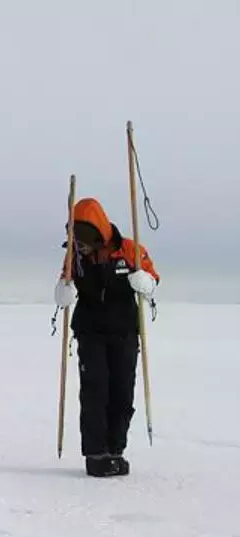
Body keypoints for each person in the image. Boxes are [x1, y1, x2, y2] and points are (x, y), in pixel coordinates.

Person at [53, 197, 160, 478]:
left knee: (122, 392)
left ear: (97, 235)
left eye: (83, 242)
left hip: (124, 332)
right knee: (95, 390)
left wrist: (144, 282)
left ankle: (115, 451)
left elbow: (153, 280)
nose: (79, 247)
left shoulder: (130, 250)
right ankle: (96, 454)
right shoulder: (75, 256)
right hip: (90, 332)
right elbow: (66, 281)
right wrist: (63, 292)